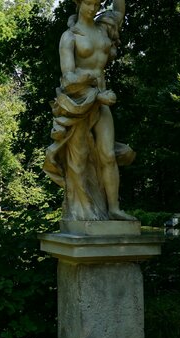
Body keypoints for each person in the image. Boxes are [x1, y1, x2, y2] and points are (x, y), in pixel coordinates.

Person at [43, 0, 136, 221]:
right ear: (79, 3)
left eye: (96, 3)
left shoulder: (104, 28)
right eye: (88, 3)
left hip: (102, 102)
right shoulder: (70, 36)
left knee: (108, 154)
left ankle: (114, 208)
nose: (93, 8)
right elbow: (68, 80)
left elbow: (119, 10)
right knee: (79, 159)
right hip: (79, 103)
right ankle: (83, 211)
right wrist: (94, 89)